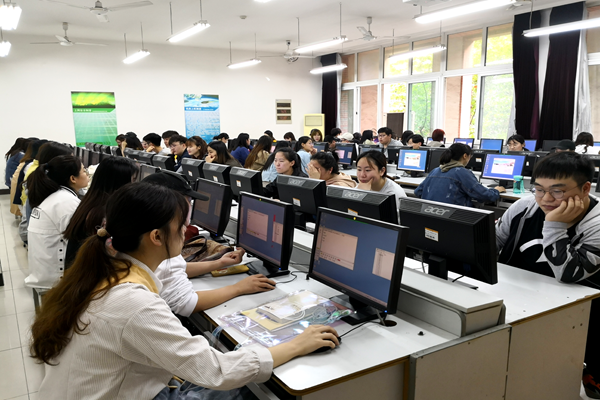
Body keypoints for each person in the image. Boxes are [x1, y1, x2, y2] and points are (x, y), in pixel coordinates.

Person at [30, 182, 339, 400]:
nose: (185, 232)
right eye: (180, 227)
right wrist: (296, 344)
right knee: (255, 389)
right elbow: (216, 371)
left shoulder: (106, 268)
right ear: (156, 237)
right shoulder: (134, 303)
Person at [495, 152, 600, 398]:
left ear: (585, 188)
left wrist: (554, 225)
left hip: (577, 310)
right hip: (520, 297)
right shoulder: (524, 207)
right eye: (539, 190)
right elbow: (490, 243)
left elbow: (569, 273)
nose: (546, 199)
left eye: (558, 191)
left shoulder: (596, 223)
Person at [144, 171, 277, 316]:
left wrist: (218, 263)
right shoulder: (161, 245)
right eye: (189, 200)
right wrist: (239, 288)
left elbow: (176, 267)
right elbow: (187, 304)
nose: (191, 206)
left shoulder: (148, 237)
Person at [24, 155, 89, 289]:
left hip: (42, 271)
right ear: (73, 178)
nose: (87, 174)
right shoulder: (66, 202)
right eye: (84, 171)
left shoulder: (57, 196)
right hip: (55, 279)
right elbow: (80, 238)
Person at [63, 157, 139, 268]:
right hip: (90, 273)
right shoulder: (104, 213)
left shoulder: (91, 202)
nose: (134, 185)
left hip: (78, 271)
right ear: (120, 182)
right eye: (133, 180)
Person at [414, 143, 504, 207]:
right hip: (454, 218)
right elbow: (485, 196)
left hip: (431, 217)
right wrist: (496, 190)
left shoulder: (435, 170)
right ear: (465, 156)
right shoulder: (462, 173)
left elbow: (418, 192)